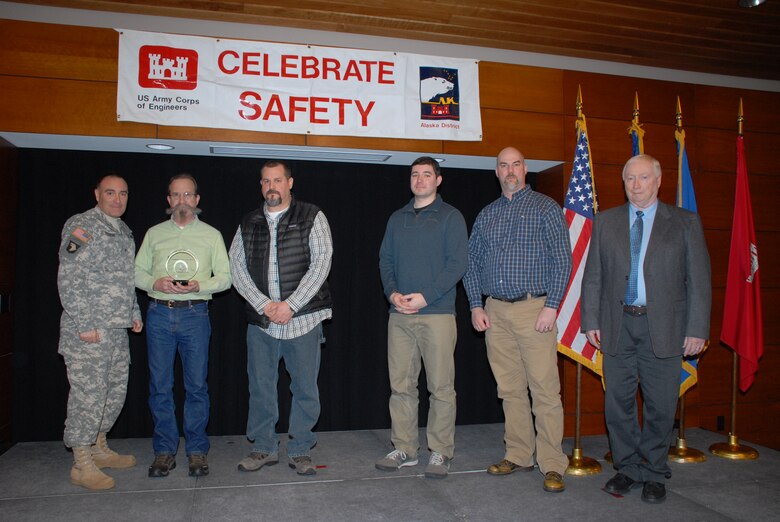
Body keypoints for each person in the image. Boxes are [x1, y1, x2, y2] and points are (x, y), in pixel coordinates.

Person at [581, 154, 710, 503]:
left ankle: (654, 471)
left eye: (643, 178)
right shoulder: (606, 222)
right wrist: (590, 319)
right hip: (616, 325)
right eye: (629, 179)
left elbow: (699, 280)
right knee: (617, 404)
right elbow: (594, 276)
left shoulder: (684, 222)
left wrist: (697, 328)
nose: (636, 185)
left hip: (665, 328)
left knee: (660, 405)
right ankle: (628, 469)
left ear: (658, 180)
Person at [463, 147, 571, 493]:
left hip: (534, 309)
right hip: (495, 311)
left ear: (525, 169)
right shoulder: (487, 214)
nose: (510, 170)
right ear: (496, 172)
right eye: (503, 165)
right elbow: (470, 264)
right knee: (509, 390)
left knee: (544, 391)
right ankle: (520, 454)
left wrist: (552, 306)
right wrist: (475, 306)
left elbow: (562, 261)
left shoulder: (545, 208)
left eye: (516, 164)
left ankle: (552, 463)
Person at [230, 160, 333, 476]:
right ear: (261, 185)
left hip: (303, 321)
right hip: (262, 324)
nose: (270, 186)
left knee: (304, 388)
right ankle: (263, 448)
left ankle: (300, 449)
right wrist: (264, 305)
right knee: (261, 387)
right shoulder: (248, 222)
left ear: (290, 183)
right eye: (265, 181)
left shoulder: (312, 216)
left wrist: (291, 305)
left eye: (277, 180)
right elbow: (236, 267)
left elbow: (321, 263)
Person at [375, 157, 468, 478]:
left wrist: (425, 296)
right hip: (399, 315)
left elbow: (457, 265)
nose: (420, 179)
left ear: (438, 180)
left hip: (437, 314)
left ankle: (440, 452)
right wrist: (393, 294)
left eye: (427, 174)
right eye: (415, 174)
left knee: (441, 388)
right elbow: (385, 260)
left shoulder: (450, 217)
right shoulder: (396, 218)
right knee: (401, 386)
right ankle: (405, 448)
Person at [135, 173, 231, 478]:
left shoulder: (212, 235)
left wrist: (198, 286)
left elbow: (226, 278)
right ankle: (164, 451)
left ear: (197, 201)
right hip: (159, 314)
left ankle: (196, 451)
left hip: (195, 314)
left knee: (196, 387)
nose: (182, 201)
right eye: (176, 195)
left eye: (188, 195)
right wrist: (154, 281)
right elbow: (136, 272)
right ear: (168, 201)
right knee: (160, 386)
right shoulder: (153, 234)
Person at [57, 174, 143, 491]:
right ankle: (81, 463)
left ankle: (99, 447)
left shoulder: (123, 231)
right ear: (97, 194)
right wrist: (83, 323)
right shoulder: (82, 226)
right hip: (89, 332)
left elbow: (125, 280)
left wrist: (133, 313)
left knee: (112, 393)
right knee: (88, 397)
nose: (117, 199)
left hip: (116, 329)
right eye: (110, 192)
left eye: (123, 193)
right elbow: (69, 276)